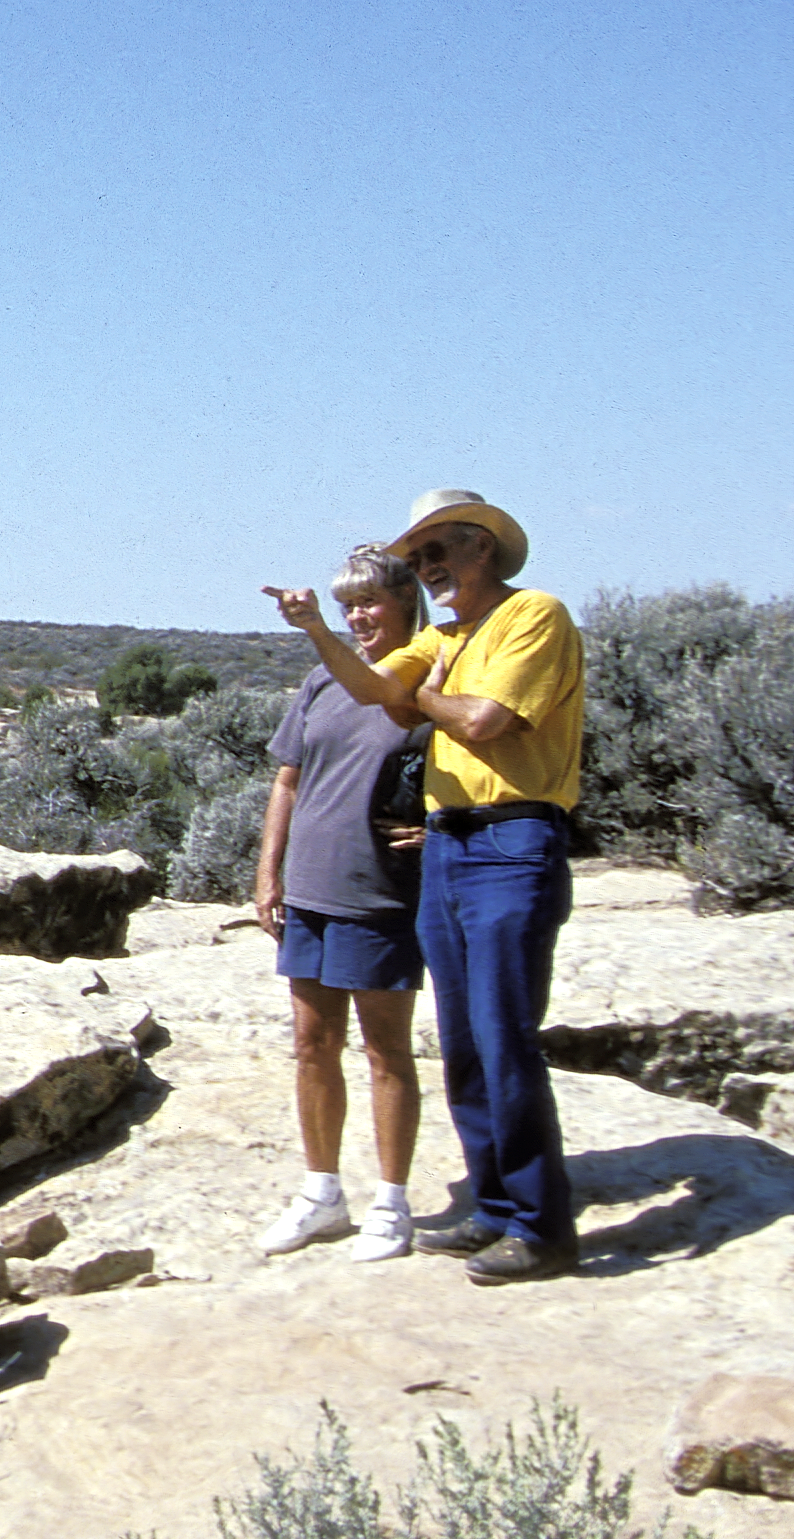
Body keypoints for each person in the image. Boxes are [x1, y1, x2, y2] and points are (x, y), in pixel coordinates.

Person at [266, 487, 586, 1285]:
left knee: (504, 1031)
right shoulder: (446, 634)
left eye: (439, 550)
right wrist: (315, 630)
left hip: (512, 837)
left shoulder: (531, 616)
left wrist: (426, 694)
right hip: (449, 840)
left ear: (484, 546)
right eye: (420, 557)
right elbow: (374, 687)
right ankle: (494, 1208)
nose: (430, 567)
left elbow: (481, 721)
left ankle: (542, 1226)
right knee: (465, 1040)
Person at [251, 547, 429, 1261]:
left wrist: (441, 827)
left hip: (379, 892)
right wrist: (268, 874)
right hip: (312, 887)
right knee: (310, 1044)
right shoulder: (322, 681)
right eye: (348, 606)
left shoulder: (425, 683)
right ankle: (321, 1192)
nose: (357, 617)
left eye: (369, 603)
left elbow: (473, 773)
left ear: (403, 604)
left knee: (386, 1049)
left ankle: (391, 1202)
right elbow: (287, 781)